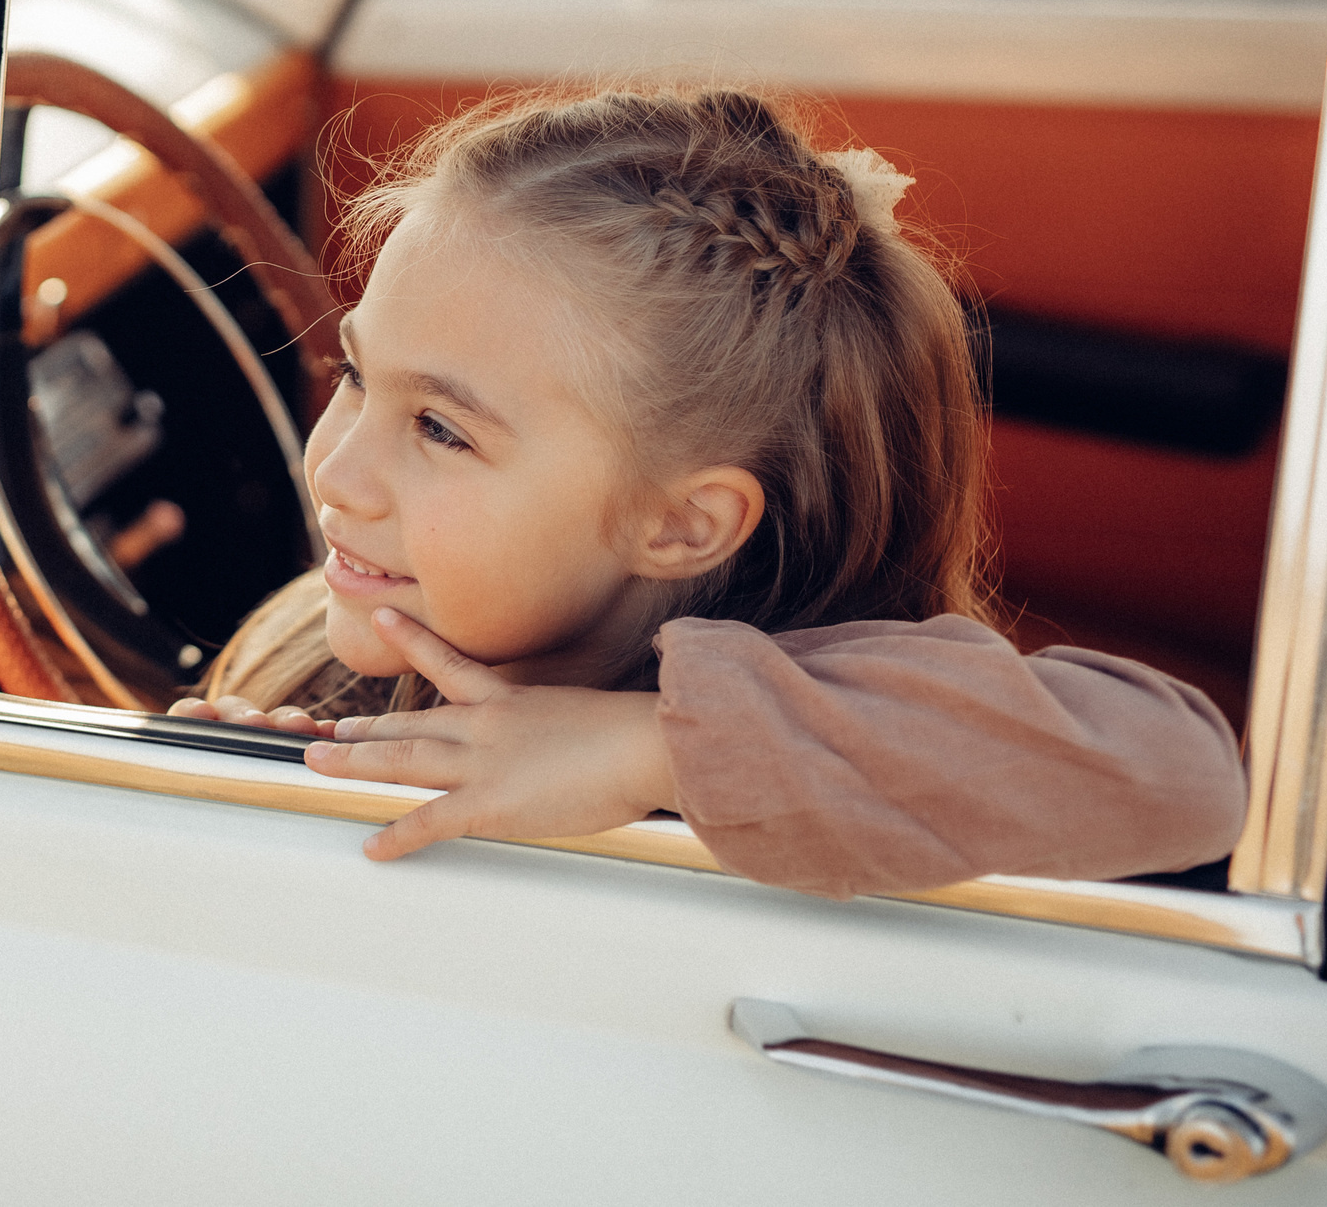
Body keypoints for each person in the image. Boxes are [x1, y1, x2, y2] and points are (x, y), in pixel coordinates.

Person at [169, 87, 1247, 899]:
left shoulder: (823, 700)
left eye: (440, 429)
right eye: (357, 375)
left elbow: (1183, 777)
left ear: (682, 523)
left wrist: (646, 751)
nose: (337, 468)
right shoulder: (327, 634)